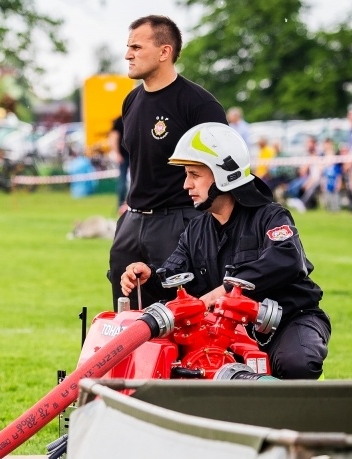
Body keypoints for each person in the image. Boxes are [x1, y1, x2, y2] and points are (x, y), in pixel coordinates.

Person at [120, 122, 330, 379]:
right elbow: (175, 278)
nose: (186, 185)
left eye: (194, 175)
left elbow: (287, 258)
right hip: (225, 331)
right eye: (187, 175)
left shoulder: (271, 217)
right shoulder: (195, 230)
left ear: (224, 174)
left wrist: (227, 289)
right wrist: (147, 276)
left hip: (290, 320)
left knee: (296, 363)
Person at [108, 14, 228, 310]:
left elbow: (222, 169)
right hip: (132, 222)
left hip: (180, 223)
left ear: (165, 52)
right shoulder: (131, 101)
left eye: (136, 47)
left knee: (182, 317)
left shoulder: (198, 104)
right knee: (127, 319)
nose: (127, 55)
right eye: (128, 47)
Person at [109, 115, 130, 215]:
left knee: (123, 181)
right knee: (123, 182)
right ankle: (121, 207)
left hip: (132, 156)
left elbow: (113, 137)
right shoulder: (121, 120)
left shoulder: (120, 119)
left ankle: (123, 206)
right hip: (126, 156)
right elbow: (114, 137)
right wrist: (117, 154)